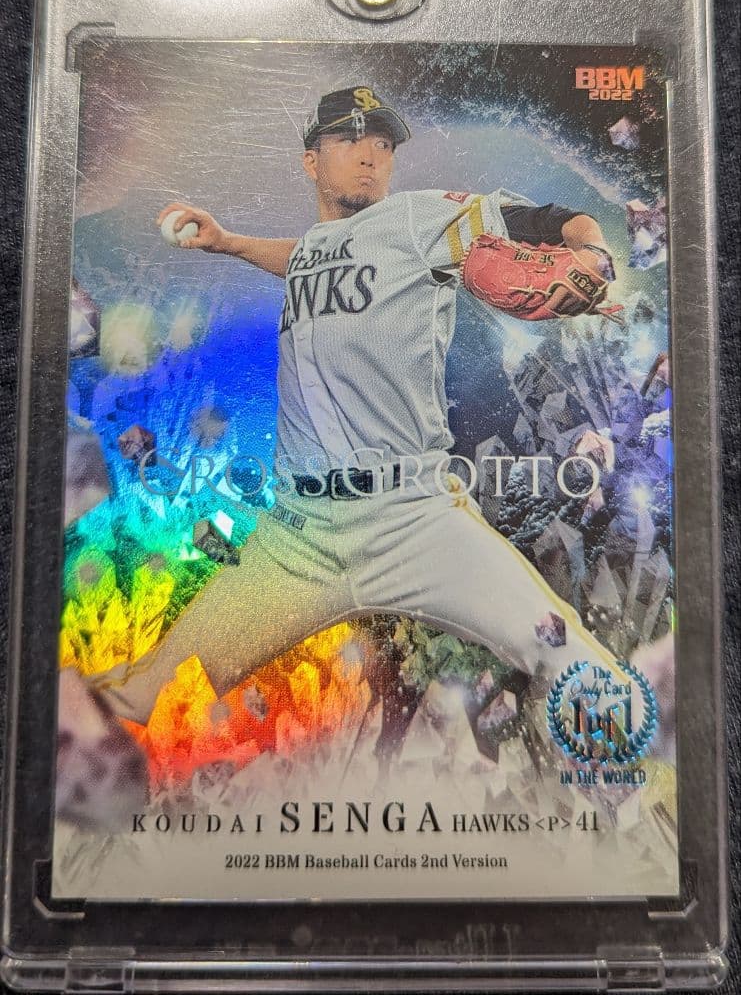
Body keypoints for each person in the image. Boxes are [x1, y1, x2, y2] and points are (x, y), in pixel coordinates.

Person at [87, 86, 626, 727]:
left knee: (568, 657)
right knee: (148, 689)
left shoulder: (419, 220)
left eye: (382, 143)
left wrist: (594, 254)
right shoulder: (316, 246)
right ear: (311, 160)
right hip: (299, 535)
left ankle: (663, 770)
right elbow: (305, 259)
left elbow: (552, 220)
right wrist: (228, 241)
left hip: (413, 519)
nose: (370, 155)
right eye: (349, 139)